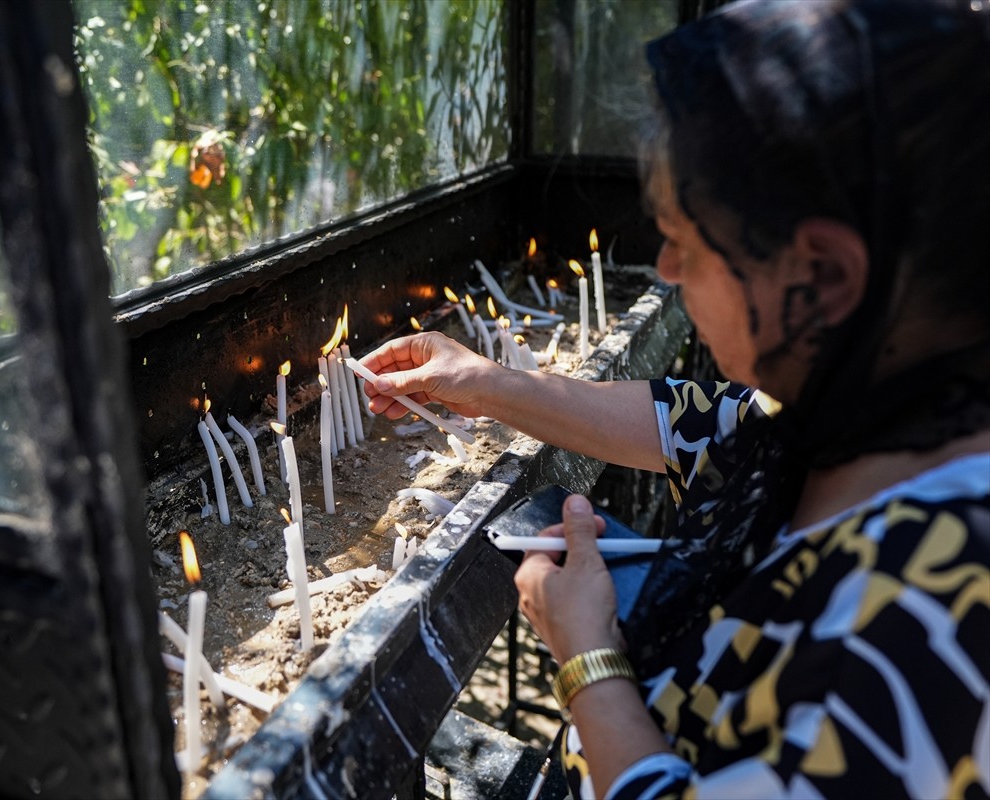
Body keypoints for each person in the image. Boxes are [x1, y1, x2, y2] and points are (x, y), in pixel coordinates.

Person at [358, 0, 990, 796]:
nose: (665, 268)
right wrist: (487, 383)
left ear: (825, 276)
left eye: (688, 242)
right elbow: (690, 421)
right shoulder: (864, 411)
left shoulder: (932, 607)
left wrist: (587, 657)